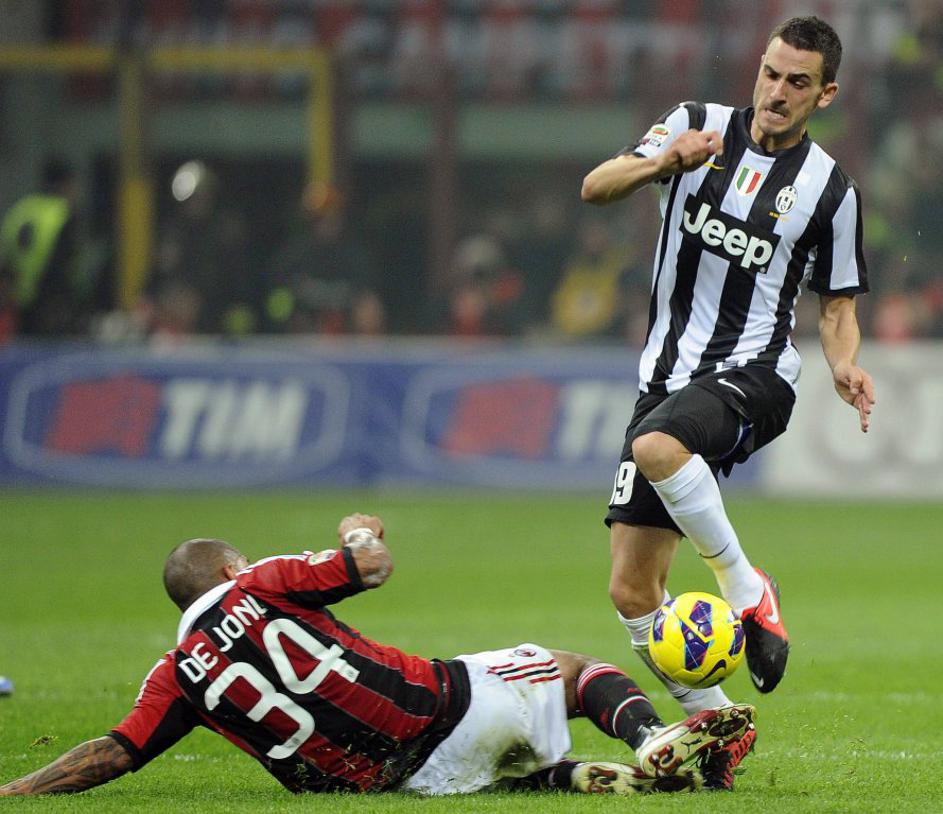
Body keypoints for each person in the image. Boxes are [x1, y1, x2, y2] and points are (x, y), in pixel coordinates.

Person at [580, 14, 874, 786]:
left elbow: (837, 305)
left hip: (757, 374)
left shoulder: (830, 190)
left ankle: (747, 589)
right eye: (770, 73)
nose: (776, 91)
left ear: (824, 94)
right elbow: (595, 187)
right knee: (630, 589)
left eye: (797, 82)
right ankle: (715, 724)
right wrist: (661, 163)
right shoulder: (692, 124)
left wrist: (844, 363)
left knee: (656, 446)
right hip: (664, 380)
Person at [0, 513, 754, 798]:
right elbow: (372, 567)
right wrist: (357, 530)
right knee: (572, 670)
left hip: (382, 783)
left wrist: (19, 790)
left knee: (496, 766)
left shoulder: (175, 676)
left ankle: (579, 777)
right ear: (231, 569)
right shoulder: (261, 582)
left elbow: (115, 752)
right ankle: (651, 739)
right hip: (439, 711)